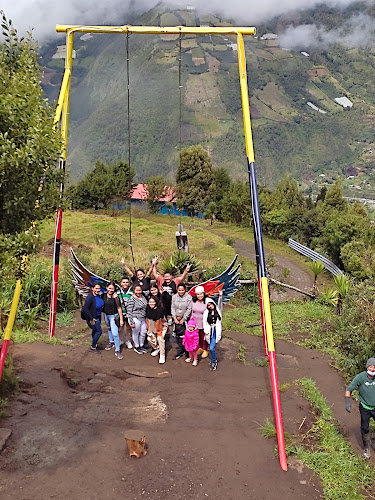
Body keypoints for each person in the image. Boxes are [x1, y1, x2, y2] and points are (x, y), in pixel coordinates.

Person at [346, 357, 375, 458]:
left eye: (374, 367)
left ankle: (374, 441)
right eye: (371, 366)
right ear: (367, 367)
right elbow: (349, 388)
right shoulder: (360, 377)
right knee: (365, 427)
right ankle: (366, 447)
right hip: (365, 407)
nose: (372, 369)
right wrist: (347, 401)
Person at [152, 258, 191, 329]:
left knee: (170, 321)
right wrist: (154, 264)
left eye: (168, 276)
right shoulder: (161, 280)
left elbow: (182, 277)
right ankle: (163, 333)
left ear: (171, 276)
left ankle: (171, 333)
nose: (167, 278)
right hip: (162, 304)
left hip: (172, 305)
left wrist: (186, 270)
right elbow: (154, 274)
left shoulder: (175, 281)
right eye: (165, 277)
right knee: (162, 321)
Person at [103, 282, 124, 360]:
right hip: (106, 315)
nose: (111, 290)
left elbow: (119, 308)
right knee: (109, 329)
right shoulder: (103, 295)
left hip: (113, 316)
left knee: (115, 333)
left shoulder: (116, 297)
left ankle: (117, 350)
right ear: (106, 287)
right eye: (109, 288)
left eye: (112, 288)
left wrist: (121, 319)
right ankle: (111, 342)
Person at [81, 283, 104, 353]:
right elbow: (85, 309)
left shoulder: (99, 295)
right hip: (93, 317)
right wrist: (91, 318)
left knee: (95, 330)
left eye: (99, 289)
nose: (97, 290)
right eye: (96, 288)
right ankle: (93, 347)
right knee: (99, 331)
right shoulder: (90, 297)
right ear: (93, 288)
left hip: (98, 316)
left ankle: (95, 344)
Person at [203, 290, 223, 370]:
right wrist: (206, 331)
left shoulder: (218, 310)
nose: (210, 306)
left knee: (211, 348)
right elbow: (204, 322)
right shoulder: (206, 313)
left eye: (211, 304)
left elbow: (220, 304)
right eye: (208, 305)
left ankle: (214, 361)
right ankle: (213, 360)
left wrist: (220, 296)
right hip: (209, 330)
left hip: (215, 330)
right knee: (211, 347)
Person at [127, 284, 148, 354]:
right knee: (136, 332)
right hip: (135, 317)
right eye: (137, 290)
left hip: (143, 318)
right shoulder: (132, 299)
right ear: (134, 290)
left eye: (139, 290)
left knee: (143, 332)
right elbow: (129, 310)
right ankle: (137, 346)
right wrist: (131, 321)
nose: (138, 292)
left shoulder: (143, 297)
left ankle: (141, 345)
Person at [145, 296, 166, 364]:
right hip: (152, 325)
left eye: (153, 302)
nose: (151, 303)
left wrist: (159, 333)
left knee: (160, 339)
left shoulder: (159, 310)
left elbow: (159, 322)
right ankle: (157, 348)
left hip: (161, 326)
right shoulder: (147, 309)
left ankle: (162, 355)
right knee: (149, 338)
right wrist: (149, 329)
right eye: (150, 302)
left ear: (156, 302)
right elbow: (147, 320)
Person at [191, 285, 209, 358]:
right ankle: (200, 348)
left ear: (204, 293)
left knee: (204, 337)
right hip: (195, 323)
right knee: (198, 337)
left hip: (204, 323)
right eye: (198, 294)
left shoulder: (207, 302)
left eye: (201, 294)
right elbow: (191, 312)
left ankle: (205, 349)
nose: (199, 295)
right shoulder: (193, 301)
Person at [117, 276, 133, 349]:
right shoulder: (117, 292)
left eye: (127, 282)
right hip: (120, 313)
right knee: (121, 328)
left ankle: (128, 340)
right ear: (121, 283)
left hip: (129, 313)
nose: (125, 284)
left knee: (129, 328)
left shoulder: (131, 292)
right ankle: (120, 340)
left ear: (129, 283)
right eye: (124, 282)